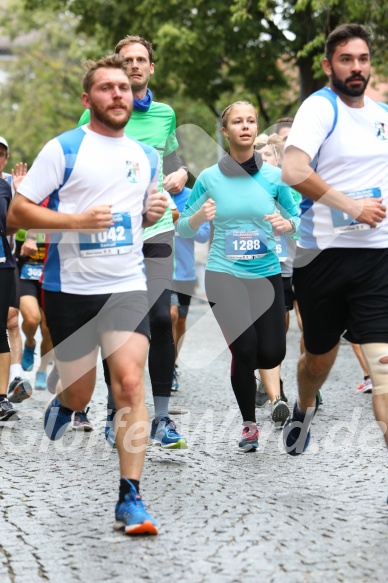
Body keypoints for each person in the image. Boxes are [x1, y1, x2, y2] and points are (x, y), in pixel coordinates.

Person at [8, 54, 168, 534]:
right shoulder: (64, 149)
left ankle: (131, 497)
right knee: (81, 391)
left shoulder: (145, 156)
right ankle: (67, 403)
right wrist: (75, 221)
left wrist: (152, 210)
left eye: (123, 87)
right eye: (106, 88)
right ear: (88, 99)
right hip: (70, 287)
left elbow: (137, 219)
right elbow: (17, 213)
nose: (118, 94)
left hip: (126, 285)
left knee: (130, 385)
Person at [280, 24, 388, 478]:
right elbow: (291, 169)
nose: (357, 68)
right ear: (328, 65)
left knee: (383, 366)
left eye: (363, 59)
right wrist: (352, 207)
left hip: (376, 257)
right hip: (321, 256)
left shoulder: (383, 113)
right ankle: (304, 408)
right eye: (347, 59)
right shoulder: (320, 108)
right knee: (318, 358)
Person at [79, 36, 188, 449]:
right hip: (115, 234)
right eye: (128, 61)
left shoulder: (164, 114)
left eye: (142, 60)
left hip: (157, 229)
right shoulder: (94, 116)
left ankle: (161, 418)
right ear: (117, 68)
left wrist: (180, 178)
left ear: (151, 68)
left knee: (162, 319)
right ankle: (116, 412)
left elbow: (171, 161)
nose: (136, 66)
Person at [178, 101, 299, 451]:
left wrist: (287, 224)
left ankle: (263, 384)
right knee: (244, 349)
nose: (245, 126)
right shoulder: (209, 178)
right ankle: (249, 425)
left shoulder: (276, 178)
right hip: (223, 274)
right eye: (237, 121)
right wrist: (199, 215)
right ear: (225, 130)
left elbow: (299, 224)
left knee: (272, 351)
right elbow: (185, 228)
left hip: (266, 275)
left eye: (250, 121)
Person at [170, 185, 211, 390]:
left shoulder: (192, 197)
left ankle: (172, 363)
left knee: (180, 320)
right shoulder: (153, 190)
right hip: (159, 270)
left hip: (184, 272)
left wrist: (180, 223)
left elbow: (203, 235)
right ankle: (164, 365)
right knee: (170, 315)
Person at [0, 136, 20, 420]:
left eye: (2, 154)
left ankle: (2, 398)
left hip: (2, 263)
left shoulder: (5, 187)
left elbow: (14, 228)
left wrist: (19, 195)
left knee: (3, 327)